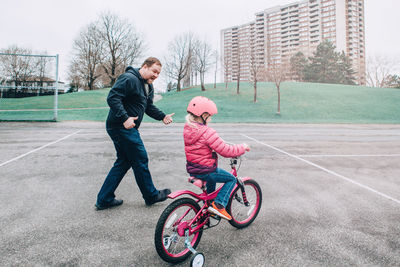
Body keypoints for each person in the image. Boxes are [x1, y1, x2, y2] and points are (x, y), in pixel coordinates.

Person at [95, 57, 174, 210]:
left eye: (158, 73)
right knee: (140, 157)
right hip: (120, 126)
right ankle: (151, 195)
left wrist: (162, 116)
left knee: (124, 162)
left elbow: (148, 107)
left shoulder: (148, 87)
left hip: (125, 128)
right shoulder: (129, 78)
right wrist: (124, 118)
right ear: (144, 66)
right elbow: (112, 97)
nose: (156, 75)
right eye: (154, 71)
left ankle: (104, 198)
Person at [183, 96, 250, 220]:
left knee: (211, 182)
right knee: (232, 179)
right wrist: (242, 147)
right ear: (203, 115)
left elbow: (198, 147)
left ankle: (208, 208)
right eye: (209, 116)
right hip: (206, 170)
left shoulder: (188, 129)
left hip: (193, 169)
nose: (210, 119)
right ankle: (218, 205)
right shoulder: (207, 132)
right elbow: (226, 150)